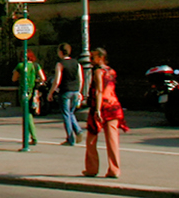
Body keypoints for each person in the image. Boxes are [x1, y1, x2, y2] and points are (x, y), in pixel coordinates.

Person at [84, 47, 128, 178]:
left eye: (93, 57)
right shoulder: (111, 71)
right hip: (114, 107)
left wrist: (97, 109)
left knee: (91, 138)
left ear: (100, 58)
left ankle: (91, 169)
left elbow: (99, 91)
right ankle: (114, 170)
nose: (90, 60)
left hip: (101, 107)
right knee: (112, 140)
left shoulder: (98, 71)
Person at [46, 42, 85, 146]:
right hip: (75, 91)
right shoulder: (77, 63)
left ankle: (70, 138)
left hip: (65, 91)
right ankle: (78, 131)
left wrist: (51, 92)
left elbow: (57, 80)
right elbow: (81, 79)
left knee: (66, 114)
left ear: (60, 52)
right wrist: (80, 92)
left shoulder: (60, 64)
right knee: (71, 113)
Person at [12, 49, 43, 147]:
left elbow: (14, 79)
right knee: (29, 112)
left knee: (27, 114)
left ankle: (33, 137)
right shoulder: (35, 65)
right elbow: (43, 78)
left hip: (23, 91)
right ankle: (32, 137)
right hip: (33, 91)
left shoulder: (20, 66)